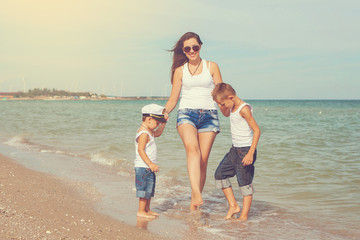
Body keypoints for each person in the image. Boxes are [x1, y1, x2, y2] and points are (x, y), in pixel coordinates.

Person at [164, 32, 223, 210]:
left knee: (203, 161)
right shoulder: (180, 71)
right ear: (183, 50)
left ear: (200, 46)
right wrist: (162, 114)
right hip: (186, 114)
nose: (192, 51)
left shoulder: (212, 66)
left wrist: (234, 109)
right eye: (187, 48)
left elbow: (221, 93)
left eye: (195, 47)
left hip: (210, 115)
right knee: (192, 149)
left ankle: (194, 204)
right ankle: (196, 192)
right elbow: (174, 99)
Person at [211, 83, 261, 220]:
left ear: (231, 97)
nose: (222, 107)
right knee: (220, 174)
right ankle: (233, 206)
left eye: (222, 103)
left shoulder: (244, 109)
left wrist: (250, 153)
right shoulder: (231, 106)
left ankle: (244, 216)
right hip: (234, 150)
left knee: (245, 183)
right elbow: (226, 113)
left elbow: (257, 130)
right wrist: (220, 102)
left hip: (246, 151)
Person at [134, 103, 167, 218]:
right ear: (149, 119)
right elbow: (140, 150)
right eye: (157, 123)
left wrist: (164, 123)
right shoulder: (143, 133)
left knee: (149, 189)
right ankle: (141, 211)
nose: (157, 125)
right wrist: (150, 164)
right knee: (143, 191)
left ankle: (147, 209)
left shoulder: (149, 131)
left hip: (148, 168)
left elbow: (158, 133)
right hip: (143, 167)